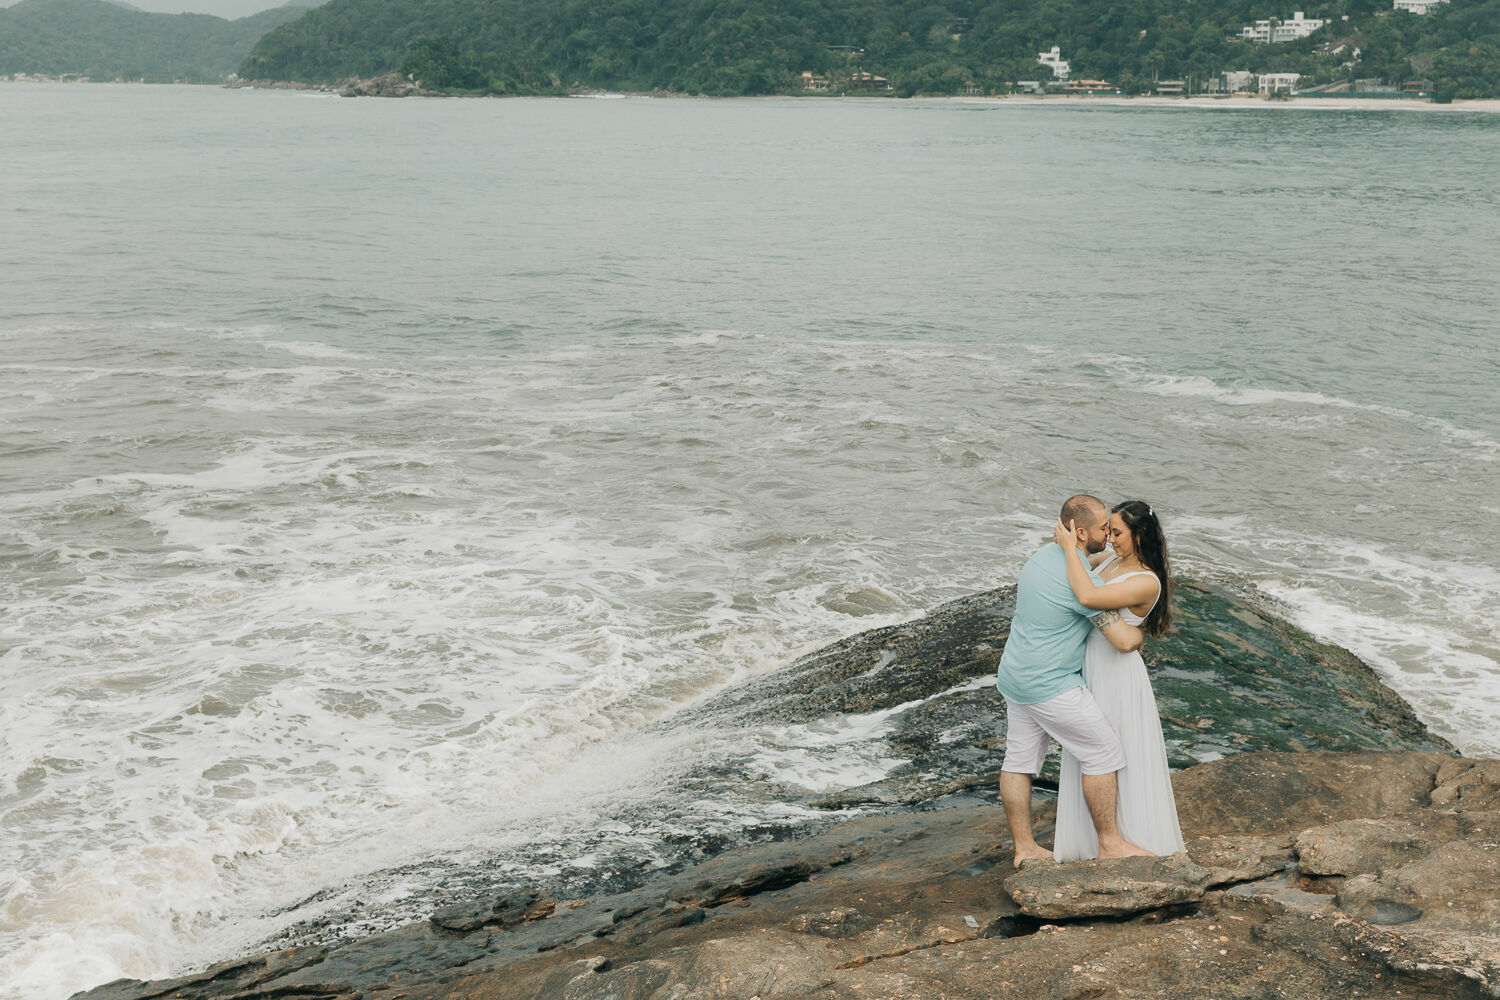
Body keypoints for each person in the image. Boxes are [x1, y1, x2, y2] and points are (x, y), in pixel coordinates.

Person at [996, 494, 1152, 867]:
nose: (1109, 537)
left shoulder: (1040, 560)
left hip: (1014, 675)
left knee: (1018, 760)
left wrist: (1079, 552)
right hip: (1049, 684)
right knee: (1103, 753)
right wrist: (1142, 635)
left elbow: (1090, 562)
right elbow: (1125, 640)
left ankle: (1024, 848)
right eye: (1103, 529)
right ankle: (1111, 843)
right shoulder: (1078, 585)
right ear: (1080, 532)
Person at [1051, 499, 1185, 861]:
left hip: (1116, 675)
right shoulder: (1110, 560)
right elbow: (1073, 570)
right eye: (1107, 530)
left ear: (1140, 535)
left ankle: (1127, 838)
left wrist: (1068, 546)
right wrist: (1073, 543)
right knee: (1090, 754)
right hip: (1089, 666)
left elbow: (1087, 595)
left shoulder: (1146, 581)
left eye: (1117, 532)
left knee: (1116, 753)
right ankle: (1091, 842)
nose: (1109, 539)